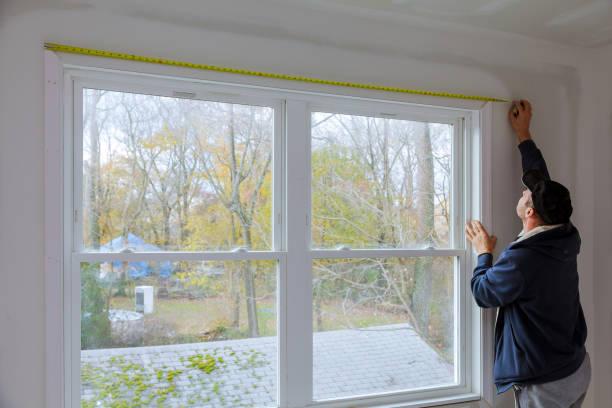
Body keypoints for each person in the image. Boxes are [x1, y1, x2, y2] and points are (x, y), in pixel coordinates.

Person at [464, 100, 590, 408]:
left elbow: (484, 293)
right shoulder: (565, 233)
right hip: (576, 368)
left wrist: (483, 254)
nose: (523, 192)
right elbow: (542, 181)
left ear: (530, 211)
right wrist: (524, 135)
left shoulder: (523, 260)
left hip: (546, 384)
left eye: (526, 195)